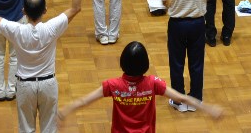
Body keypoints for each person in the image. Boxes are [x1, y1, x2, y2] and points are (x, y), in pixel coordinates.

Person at [0, 0, 82, 133]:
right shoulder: (52, 28)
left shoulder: (16, 30)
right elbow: (75, 8)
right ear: (45, 10)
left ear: (24, 11)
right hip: (48, 85)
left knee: (26, 130)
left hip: (24, 86)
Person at [59, 40, 223, 128]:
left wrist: (65, 111)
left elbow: (85, 101)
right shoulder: (153, 83)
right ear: (145, 64)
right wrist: (208, 108)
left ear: (122, 62)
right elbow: (183, 98)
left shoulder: (112, 85)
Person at [158, 0, 211, 112]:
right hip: (197, 24)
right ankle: (195, 100)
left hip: (177, 25)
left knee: (176, 63)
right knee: (197, 64)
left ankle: (178, 101)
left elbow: (163, 0)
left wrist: (173, 7)